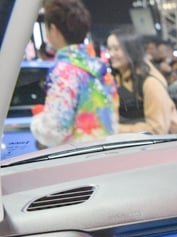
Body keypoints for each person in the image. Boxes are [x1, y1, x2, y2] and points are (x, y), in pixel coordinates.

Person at [30, 0, 118, 148]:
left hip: (77, 157)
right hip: (108, 152)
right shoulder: (100, 70)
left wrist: (38, 120)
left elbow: (53, 131)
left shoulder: (65, 72)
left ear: (54, 30)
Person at [107, 27, 177, 135]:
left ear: (131, 50)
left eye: (116, 49)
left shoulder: (150, 83)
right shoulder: (117, 79)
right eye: (109, 49)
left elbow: (157, 129)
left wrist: (116, 129)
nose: (111, 54)